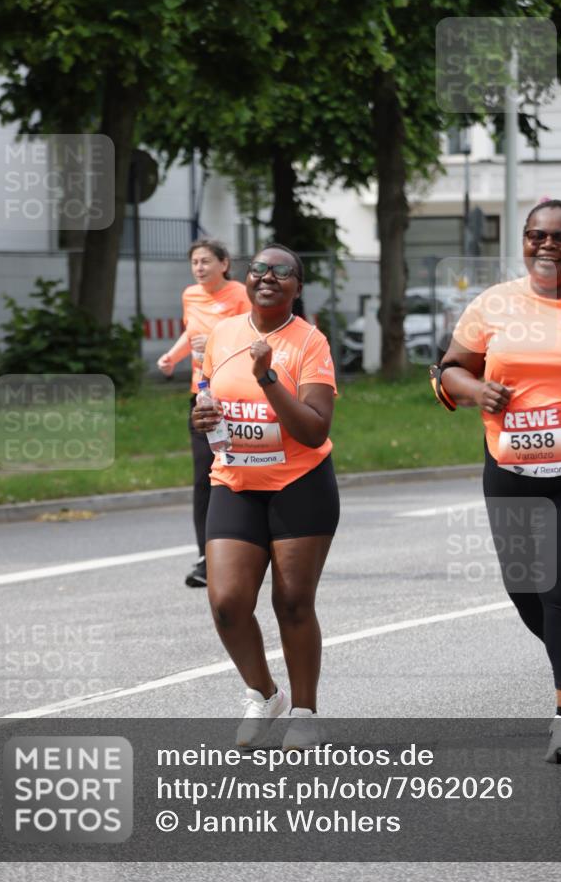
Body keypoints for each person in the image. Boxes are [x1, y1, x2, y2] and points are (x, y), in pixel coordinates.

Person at [433, 200, 561, 764]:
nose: (546, 245)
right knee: (526, 594)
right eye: (535, 235)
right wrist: (474, 391)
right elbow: (450, 368)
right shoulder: (495, 304)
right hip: (513, 469)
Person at [192, 243, 339, 749]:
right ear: (247, 280)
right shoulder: (222, 334)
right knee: (227, 602)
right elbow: (205, 397)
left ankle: (304, 710)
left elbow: (315, 431)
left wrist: (269, 378)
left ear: (297, 287)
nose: (268, 276)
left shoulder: (310, 343)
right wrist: (200, 416)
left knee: (293, 601)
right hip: (234, 480)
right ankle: (264, 693)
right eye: (259, 268)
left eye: (282, 271)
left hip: (300, 485)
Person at [158, 239, 250, 588]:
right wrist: (173, 355)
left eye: (206, 261)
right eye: (194, 262)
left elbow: (250, 337)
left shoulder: (241, 295)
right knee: (204, 476)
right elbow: (191, 334)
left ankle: (247, 546)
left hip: (235, 396)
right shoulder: (190, 296)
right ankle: (205, 557)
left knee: (237, 473)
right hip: (203, 396)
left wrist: (212, 341)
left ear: (224, 264)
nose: (199, 268)